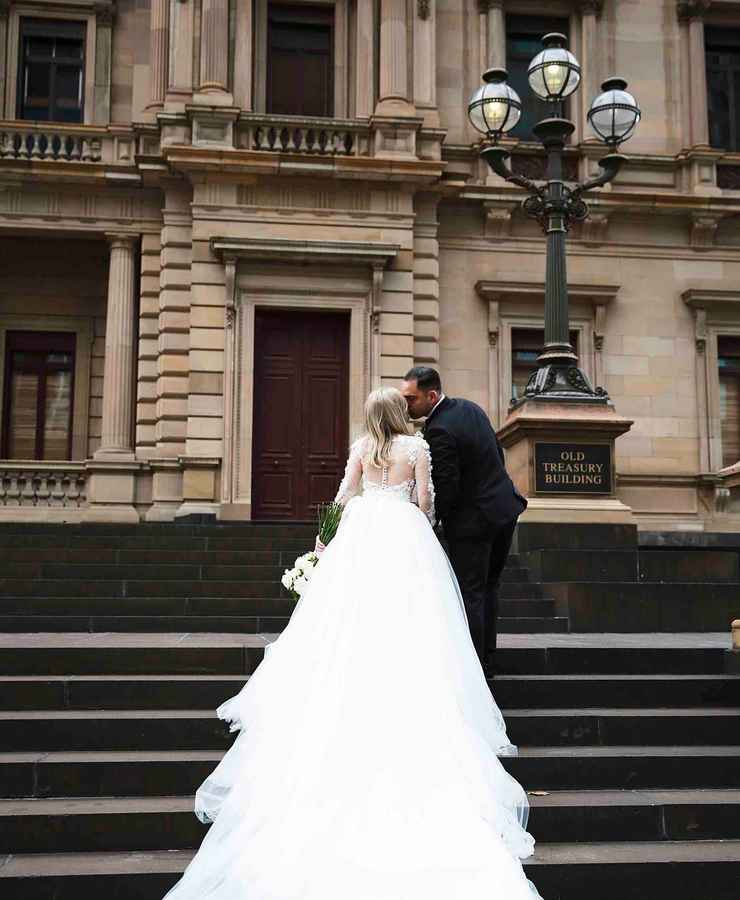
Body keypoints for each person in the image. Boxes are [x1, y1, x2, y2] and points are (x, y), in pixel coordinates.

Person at [161, 387, 543, 900]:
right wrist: (419, 527)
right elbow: (426, 503)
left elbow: (344, 496)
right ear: (400, 413)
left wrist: (324, 540)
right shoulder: (417, 450)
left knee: (348, 611)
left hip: (362, 533)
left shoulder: (363, 449)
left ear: (370, 417)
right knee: (413, 613)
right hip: (403, 534)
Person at [401, 367, 527, 676]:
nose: (406, 405)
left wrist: (433, 522)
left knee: (470, 591)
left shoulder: (439, 429)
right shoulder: (470, 408)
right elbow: (496, 454)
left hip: (473, 524)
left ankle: (474, 668)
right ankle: (487, 656)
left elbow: (447, 487)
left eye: (411, 398)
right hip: (504, 510)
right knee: (489, 587)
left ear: (431, 396)